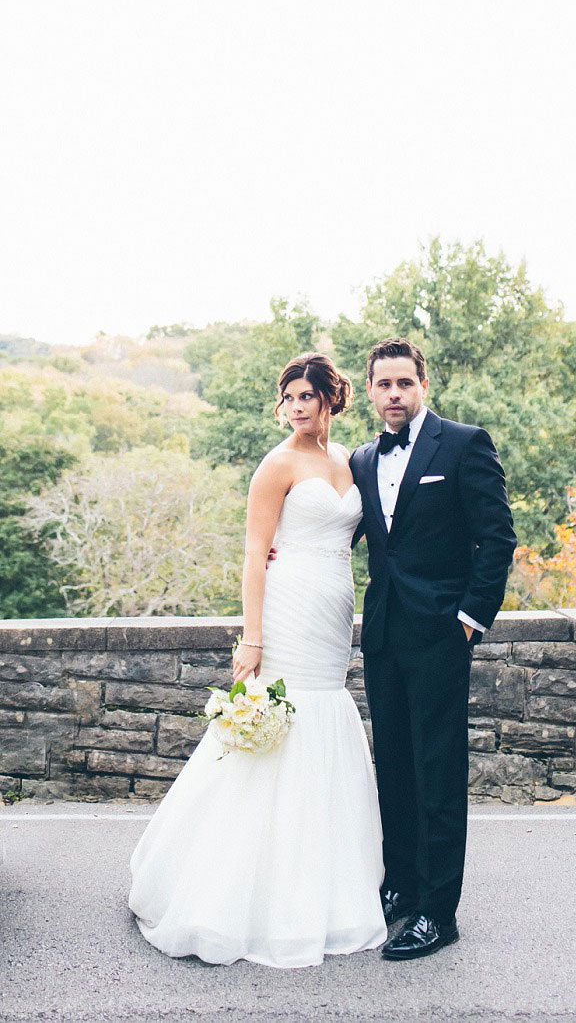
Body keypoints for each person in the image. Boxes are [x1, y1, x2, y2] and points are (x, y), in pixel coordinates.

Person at [128, 353, 387, 969]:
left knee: (324, 718)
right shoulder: (276, 464)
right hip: (286, 608)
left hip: (332, 611)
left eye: (308, 396)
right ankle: (229, 887)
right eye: (289, 397)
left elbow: (349, 533)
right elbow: (253, 555)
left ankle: (324, 880)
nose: (297, 407)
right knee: (278, 728)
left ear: (332, 399)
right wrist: (252, 637)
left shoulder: (348, 461)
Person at [349, 337, 517, 961]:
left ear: (423, 386)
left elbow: (496, 539)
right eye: (383, 385)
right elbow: (348, 530)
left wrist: (470, 619)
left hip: (442, 633)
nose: (394, 394)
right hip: (385, 634)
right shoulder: (363, 459)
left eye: (404, 383)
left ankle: (438, 911)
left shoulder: (465, 443)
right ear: (369, 391)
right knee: (392, 765)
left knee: (438, 769)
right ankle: (400, 888)